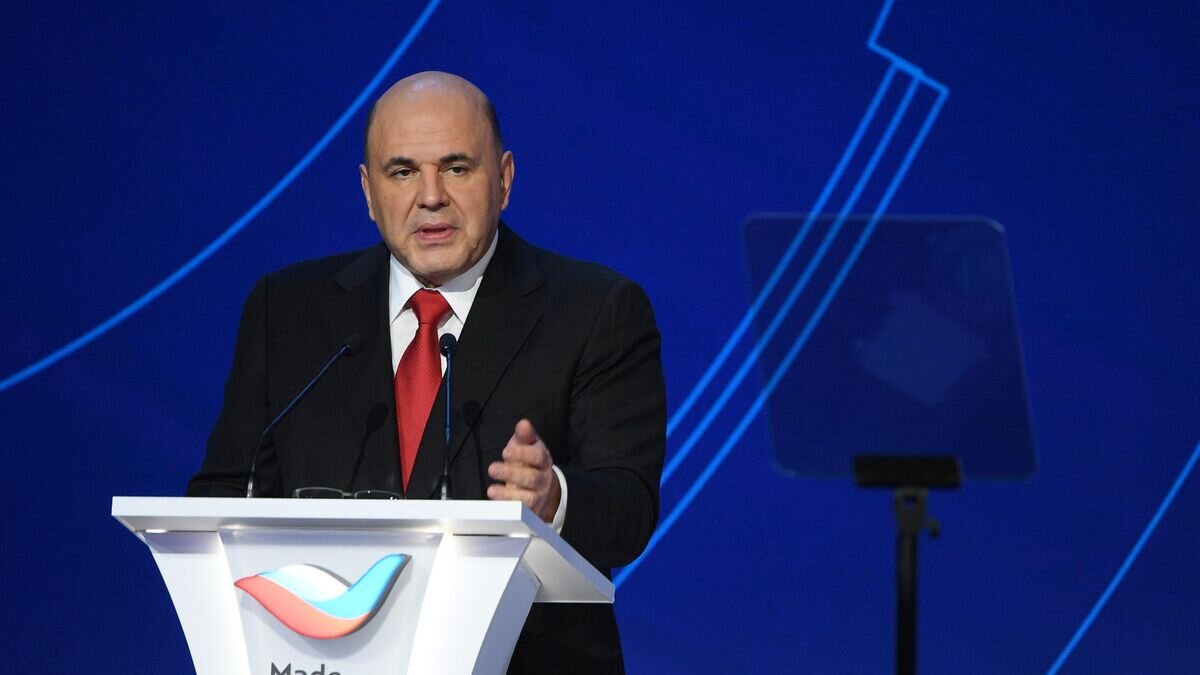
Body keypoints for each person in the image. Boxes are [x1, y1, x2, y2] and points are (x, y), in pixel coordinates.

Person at [187, 71, 666, 674]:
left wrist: (554, 499)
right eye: (402, 172)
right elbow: (226, 494)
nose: (431, 196)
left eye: (457, 168)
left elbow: (629, 509)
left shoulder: (594, 310)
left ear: (505, 179)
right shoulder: (286, 312)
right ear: (368, 192)